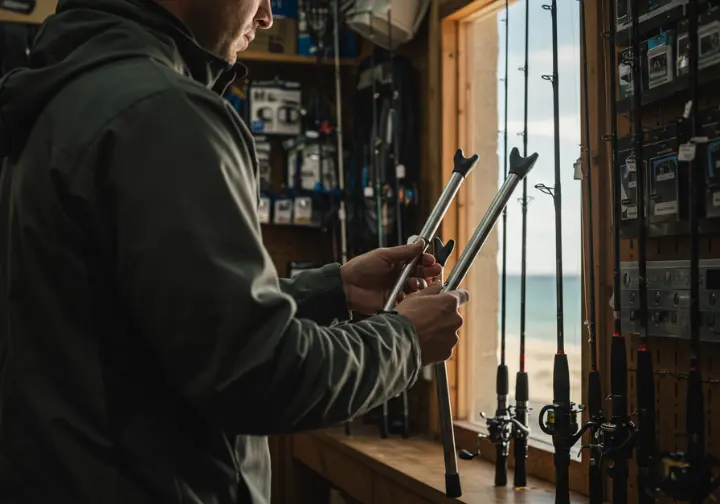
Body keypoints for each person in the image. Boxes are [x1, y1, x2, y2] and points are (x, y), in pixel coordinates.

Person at [0, 1, 470, 503]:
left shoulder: (63, 98)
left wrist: (331, 289)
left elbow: (161, 321)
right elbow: (258, 375)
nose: (267, 15)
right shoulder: (162, 113)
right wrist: (407, 340)